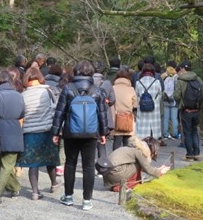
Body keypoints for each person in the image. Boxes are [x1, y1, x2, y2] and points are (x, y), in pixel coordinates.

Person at [51, 60, 109, 211]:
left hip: (71, 132)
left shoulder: (68, 89)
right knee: (88, 166)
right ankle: (87, 200)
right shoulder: (97, 90)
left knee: (70, 163)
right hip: (91, 133)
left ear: (76, 72)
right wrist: (103, 133)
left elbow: (60, 112)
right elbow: (102, 114)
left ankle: (68, 196)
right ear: (91, 73)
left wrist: (55, 132)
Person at [17, 65, 60, 198]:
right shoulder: (48, 92)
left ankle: (35, 192)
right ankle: (54, 183)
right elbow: (55, 110)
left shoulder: (22, 95)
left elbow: (20, 115)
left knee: (33, 163)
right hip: (47, 131)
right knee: (50, 160)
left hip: (29, 133)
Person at [0, 67, 26, 205]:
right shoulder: (19, 95)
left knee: (3, 164)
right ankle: (15, 188)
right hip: (14, 131)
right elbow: (22, 113)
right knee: (7, 165)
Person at [101, 136, 171, 191]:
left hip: (109, 174)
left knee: (137, 165)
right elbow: (147, 169)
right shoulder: (140, 151)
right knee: (138, 165)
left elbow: (146, 168)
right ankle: (126, 186)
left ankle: (120, 184)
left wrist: (157, 169)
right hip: (116, 173)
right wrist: (160, 172)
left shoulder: (133, 147)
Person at [174, 60, 203, 161]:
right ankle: (197, 154)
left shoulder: (181, 80)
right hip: (196, 110)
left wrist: (180, 102)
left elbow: (176, 96)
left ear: (182, 69)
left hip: (186, 110)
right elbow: (202, 94)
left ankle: (190, 155)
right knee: (195, 131)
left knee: (187, 132)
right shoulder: (198, 79)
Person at [134, 61, 163, 142]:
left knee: (143, 128)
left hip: (142, 109)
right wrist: (155, 101)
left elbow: (136, 96)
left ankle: (143, 143)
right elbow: (160, 95)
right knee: (154, 130)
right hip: (154, 110)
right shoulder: (157, 82)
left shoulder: (138, 83)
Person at [111, 66, 138, 151]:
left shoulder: (113, 88)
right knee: (127, 141)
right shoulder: (131, 89)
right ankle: (126, 157)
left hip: (116, 118)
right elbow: (135, 105)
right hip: (128, 119)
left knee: (117, 141)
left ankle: (115, 157)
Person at [161, 62, 180, 141]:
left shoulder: (163, 75)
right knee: (174, 118)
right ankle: (175, 133)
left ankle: (165, 134)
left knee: (165, 118)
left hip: (165, 99)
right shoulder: (176, 76)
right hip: (174, 100)